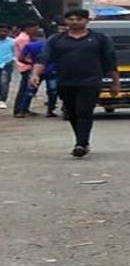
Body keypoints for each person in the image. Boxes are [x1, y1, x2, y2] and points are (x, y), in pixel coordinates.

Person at [30, 10, 119, 158]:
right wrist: (35, 74)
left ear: (87, 21)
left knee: (84, 111)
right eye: (71, 19)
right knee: (72, 112)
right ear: (66, 21)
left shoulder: (100, 39)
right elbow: (43, 58)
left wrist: (115, 83)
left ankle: (81, 144)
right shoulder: (56, 39)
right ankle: (82, 140)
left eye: (78, 19)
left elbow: (111, 61)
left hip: (91, 81)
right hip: (65, 82)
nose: (74, 22)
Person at [20, 34, 59, 118]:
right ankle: (50, 111)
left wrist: (31, 63)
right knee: (53, 91)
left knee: (30, 90)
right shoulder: (53, 45)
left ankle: (22, 110)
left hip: (36, 70)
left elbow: (21, 58)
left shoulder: (29, 45)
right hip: (52, 70)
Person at [12, 21, 39, 118]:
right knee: (26, 89)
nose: (37, 30)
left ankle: (24, 108)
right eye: (35, 28)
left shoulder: (25, 37)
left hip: (25, 65)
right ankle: (20, 109)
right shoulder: (24, 39)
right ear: (28, 28)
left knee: (26, 88)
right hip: (26, 65)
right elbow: (27, 53)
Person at [0, 25, 13, 110]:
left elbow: (16, 53)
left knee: (4, 82)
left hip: (6, 64)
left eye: (5, 31)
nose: (3, 33)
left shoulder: (12, 42)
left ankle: (2, 100)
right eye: (1, 31)